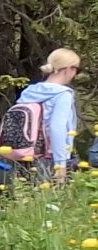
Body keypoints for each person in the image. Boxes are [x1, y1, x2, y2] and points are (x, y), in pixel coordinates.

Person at [15, 49, 82, 185]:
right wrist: (60, 165)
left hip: (26, 156)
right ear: (68, 69)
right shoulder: (63, 95)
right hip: (52, 158)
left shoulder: (29, 92)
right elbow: (57, 128)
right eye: (77, 69)